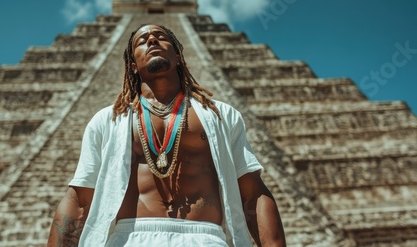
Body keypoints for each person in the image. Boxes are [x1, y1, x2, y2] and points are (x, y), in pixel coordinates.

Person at [47, 24, 286, 247]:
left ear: (179, 56)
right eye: (142, 40)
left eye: (161, 37)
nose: (152, 39)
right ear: (132, 65)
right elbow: (79, 199)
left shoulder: (221, 115)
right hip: (128, 238)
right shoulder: (107, 120)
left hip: (205, 237)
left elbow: (253, 192)